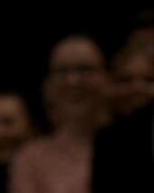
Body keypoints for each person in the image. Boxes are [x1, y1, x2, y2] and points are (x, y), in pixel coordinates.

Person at [9, 34, 110, 193]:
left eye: (85, 70)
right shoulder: (30, 158)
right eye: (62, 72)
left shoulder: (135, 144)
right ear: (47, 85)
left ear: (107, 77)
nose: (73, 81)